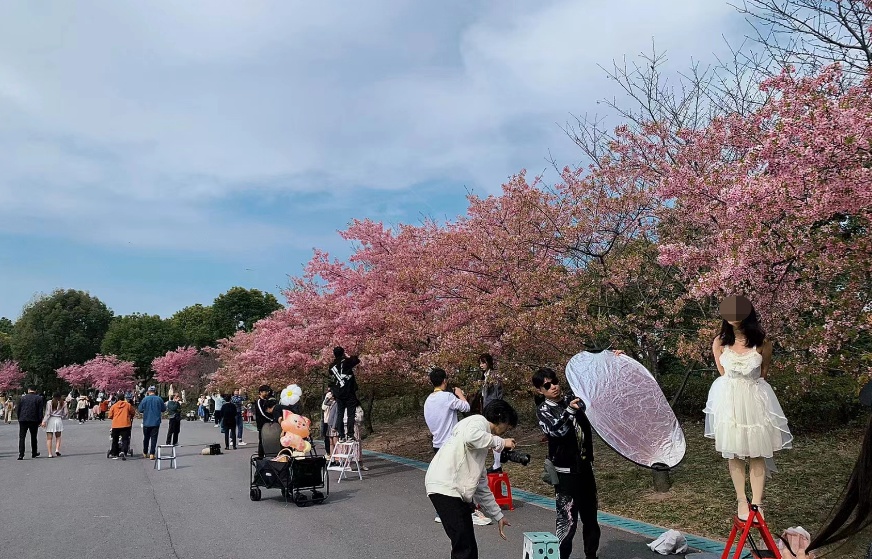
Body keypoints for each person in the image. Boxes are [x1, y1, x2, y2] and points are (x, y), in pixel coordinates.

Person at [705, 296, 792, 520]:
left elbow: (763, 373)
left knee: (757, 452)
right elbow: (723, 374)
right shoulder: (720, 342)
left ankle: (757, 502)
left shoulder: (762, 342)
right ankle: (741, 500)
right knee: (733, 452)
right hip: (730, 402)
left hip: (754, 400)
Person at [425, 400, 517, 559]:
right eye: (507, 426)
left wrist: (498, 516)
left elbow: (481, 486)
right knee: (464, 547)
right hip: (446, 487)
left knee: (467, 545)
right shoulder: (477, 421)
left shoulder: (480, 443)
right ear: (500, 418)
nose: (505, 431)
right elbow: (471, 437)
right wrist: (502, 443)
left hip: (450, 490)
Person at [533, 367, 601, 559]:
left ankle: (591, 554)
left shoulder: (572, 399)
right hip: (565, 473)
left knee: (591, 517)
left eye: (555, 382)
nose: (554, 387)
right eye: (547, 385)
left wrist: (612, 358)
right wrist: (569, 411)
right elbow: (556, 431)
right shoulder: (543, 410)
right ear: (540, 390)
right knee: (567, 520)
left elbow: (594, 386)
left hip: (585, 468)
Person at [424, 368, 475, 524]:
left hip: (437, 443)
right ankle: (468, 509)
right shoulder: (447, 397)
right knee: (460, 476)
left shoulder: (428, 400)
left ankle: (441, 512)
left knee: (443, 478)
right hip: (450, 443)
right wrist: (460, 394)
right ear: (445, 381)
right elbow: (466, 407)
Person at [475, 353, 505, 474]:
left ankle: (497, 464)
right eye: (480, 363)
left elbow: (499, 393)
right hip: (486, 407)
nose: (481, 365)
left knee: (494, 434)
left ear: (489, 363)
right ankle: (496, 463)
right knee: (490, 434)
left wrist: (498, 408)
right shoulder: (484, 376)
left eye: (483, 362)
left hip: (493, 408)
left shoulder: (494, 375)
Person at [328, 346, 361, 442]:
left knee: (340, 414)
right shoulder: (346, 362)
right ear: (343, 353)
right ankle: (350, 435)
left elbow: (331, 377)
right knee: (351, 414)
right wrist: (348, 356)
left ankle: (341, 436)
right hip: (349, 392)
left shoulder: (331, 366)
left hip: (339, 393)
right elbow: (356, 360)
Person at [138, 386, 166, 460]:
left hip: (146, 421)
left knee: (146, 438)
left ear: (148, 392)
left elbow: (140, 409)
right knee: (154, 438)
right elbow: (163, 409)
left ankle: (145, 452)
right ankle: (152, 454)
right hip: (155, 422)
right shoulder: (159, 399)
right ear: (155, 391)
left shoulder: (145, 399)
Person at [16, 386, 44, 460]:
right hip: (34, 420)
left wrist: (19, 418)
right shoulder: (39, 398)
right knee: (33, 437)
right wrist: (40, 420)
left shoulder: (22, 398)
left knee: (22, 437)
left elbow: (18, 409)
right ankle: (34, 452)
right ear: (36, 390)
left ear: (28, 390)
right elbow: (40, 411)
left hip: (23, 419)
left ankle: (21, 454)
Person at [108, 393, 136, 460]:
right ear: (124, 398)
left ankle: (114, 452)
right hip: (125, 424)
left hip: (116, 425)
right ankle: (123, 451)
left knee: (115, 439)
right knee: (125, 439)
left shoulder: (114, 406)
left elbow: (110, 416)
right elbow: (133, 412)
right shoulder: (128, 405)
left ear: (117, 398)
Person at [40, 391, 68, 458]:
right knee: (58, 436)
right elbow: (65, 413)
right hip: (58, 420)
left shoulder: (49, 402)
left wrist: (44, 421)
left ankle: (50, 453)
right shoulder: (64, 403)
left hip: (51, 420)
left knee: (49, 438)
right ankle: (57, 449)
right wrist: (62, 416)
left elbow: (48, 413)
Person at [254, 385, 276, 458]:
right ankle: (261, 456)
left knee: (269, 439)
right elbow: (262, 413)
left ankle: (269, 454)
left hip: (269, 423)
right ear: (260, 392)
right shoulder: (259, 401)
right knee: (262, 440)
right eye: (265, 392)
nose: (267, 393)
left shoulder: (267, 400)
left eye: (267, 391)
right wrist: (271, 419)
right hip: (262, 424)